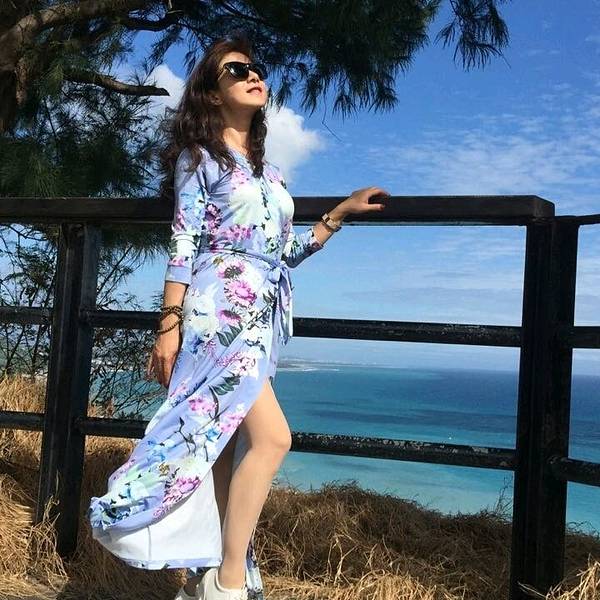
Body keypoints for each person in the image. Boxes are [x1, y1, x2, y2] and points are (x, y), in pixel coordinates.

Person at [88, 32, 389, 600]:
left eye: (256, 68)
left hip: (261, 316)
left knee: (223, 447)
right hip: (218, 315)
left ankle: (208, 572)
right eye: (235, 70)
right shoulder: (200, 158)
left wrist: (337, 216)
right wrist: (168, 324)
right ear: (211, 92)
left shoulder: (269, 173)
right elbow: (184, 241)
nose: (253, 75)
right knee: (273, 439)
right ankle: (227, 582)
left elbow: (279, 253)